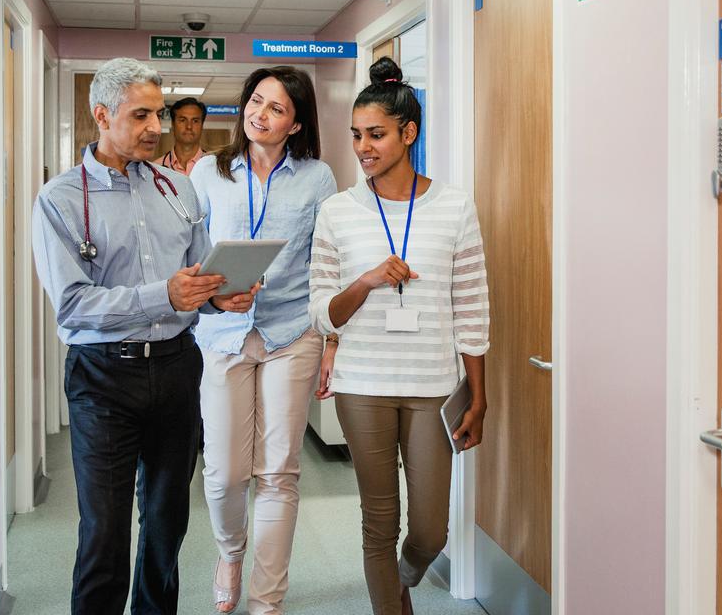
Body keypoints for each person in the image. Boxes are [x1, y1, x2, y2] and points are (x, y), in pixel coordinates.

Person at [31, 57, 258, 615]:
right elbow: (73, 304)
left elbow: (195, 278)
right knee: (104, 531)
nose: (157, 126)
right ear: (102, 115)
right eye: (141, 115)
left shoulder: (179, 190)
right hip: (103, 378)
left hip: (178, 367)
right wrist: (167, 294)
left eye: (159, 112)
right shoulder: (60, 200)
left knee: (166, 523)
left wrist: (216, 295)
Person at [308, 57, 489, 615]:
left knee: (430, 529)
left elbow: (473, 306)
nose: (364, 147)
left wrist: (478, 395)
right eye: (357, 135)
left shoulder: (454, 206)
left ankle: (404, 577)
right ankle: (392, 605)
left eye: (377, 135)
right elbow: (323, 313)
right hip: (363, 383)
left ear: (409, 133)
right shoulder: (337, 211)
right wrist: (364, 281)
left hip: (433, 383)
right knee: (377, 521)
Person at [188, 66, 338, 615]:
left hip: (291, 331)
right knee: (226, 472)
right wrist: (209, 294)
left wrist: (331, 342)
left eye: (277, 108)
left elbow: (326, 263)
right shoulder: (209, 171)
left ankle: (266, 600)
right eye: (256, 101)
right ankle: (230, 552)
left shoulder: (318, 177)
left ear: (296, 124)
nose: (261, 114)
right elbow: (188, 249)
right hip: (223, 332)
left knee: (278, 471)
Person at [159, 96, 207, 175]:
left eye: (195, 121)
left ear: (202, 125)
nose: (189, 126)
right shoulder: (156, 168)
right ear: (173, 124)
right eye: (182, 120)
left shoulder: (216, 167)